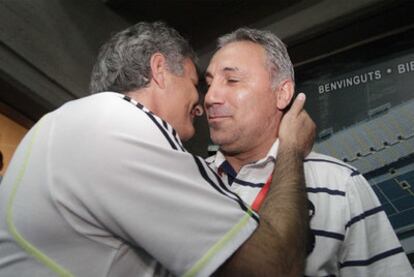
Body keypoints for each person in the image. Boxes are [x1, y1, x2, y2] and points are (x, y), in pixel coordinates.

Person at [0, 22, 315, 276]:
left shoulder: (63, 122)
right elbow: (274, 269)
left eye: (231, 81)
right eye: (197, 84)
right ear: (160, 70)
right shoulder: (123, 127)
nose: (203, 104)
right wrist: (290, 149)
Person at [204, 27, 413, 277]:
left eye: (231, 80)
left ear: (282, 94)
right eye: (208, 83)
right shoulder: (184, 180)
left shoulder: (341, 184)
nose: (210, 97)